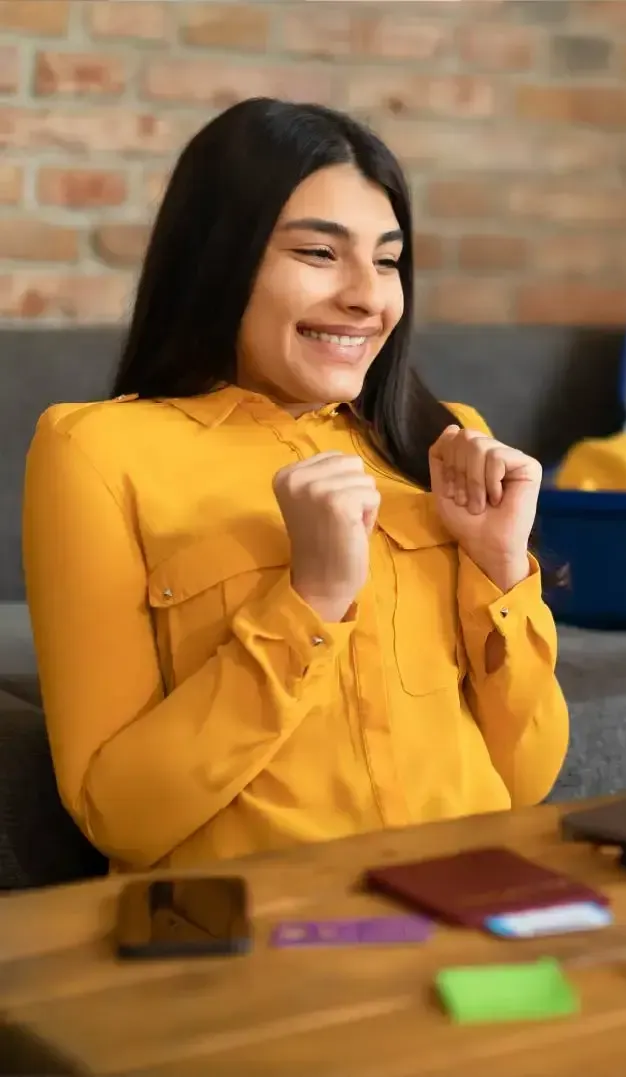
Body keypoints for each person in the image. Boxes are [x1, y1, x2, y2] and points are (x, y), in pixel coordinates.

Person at [22, 98, 570, 873]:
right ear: (219, 258)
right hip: (271, 936)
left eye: (386, 260)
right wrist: (308, 600)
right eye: (319, 253)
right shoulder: (96, 451)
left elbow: (525, 779)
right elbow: (121, 816)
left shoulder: (440, 444)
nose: (367, 295)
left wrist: (500, 569)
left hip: (471, 894)